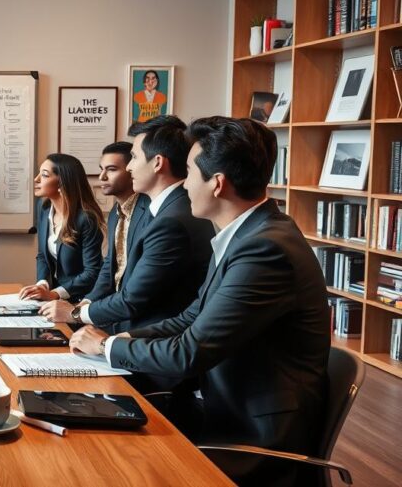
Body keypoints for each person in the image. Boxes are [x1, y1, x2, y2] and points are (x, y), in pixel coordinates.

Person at [70, 117, 331, 487]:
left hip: (249, 436)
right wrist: (112, 342)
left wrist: (108, 346)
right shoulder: (248, 234)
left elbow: (189, 352)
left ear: (218, 184)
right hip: (219, 407)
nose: (184, 183)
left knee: (105, 466)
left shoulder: (264, 249)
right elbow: (189, 318)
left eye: (190, 172)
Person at [40, 116, 214, 344]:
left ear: (158, 162)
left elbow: (134, 298)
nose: (130, 166)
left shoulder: (171, 219)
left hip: (152, 342)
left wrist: (75, 314)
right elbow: (113, 271)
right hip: (132, 329)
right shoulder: (157, 210)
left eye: (134, 157)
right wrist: (84, 307)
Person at [17, 153, 105, 303]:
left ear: (61, 183)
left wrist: (55, 294)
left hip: (81, 300)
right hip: (53, 298)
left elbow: (92, 272)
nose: (36, 179)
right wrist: (42, 285)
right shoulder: (44, 208)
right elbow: (42, 255)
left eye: (44, 175)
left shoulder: (86, 219)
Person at [85, 141, 151, 303]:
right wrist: (86, 302)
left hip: (138, 307)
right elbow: (109, 265)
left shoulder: (151, 211)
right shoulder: (115, 213)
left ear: (131, 171)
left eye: (112, 170)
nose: (102, 177)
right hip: (114, 303)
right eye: (102, 169)